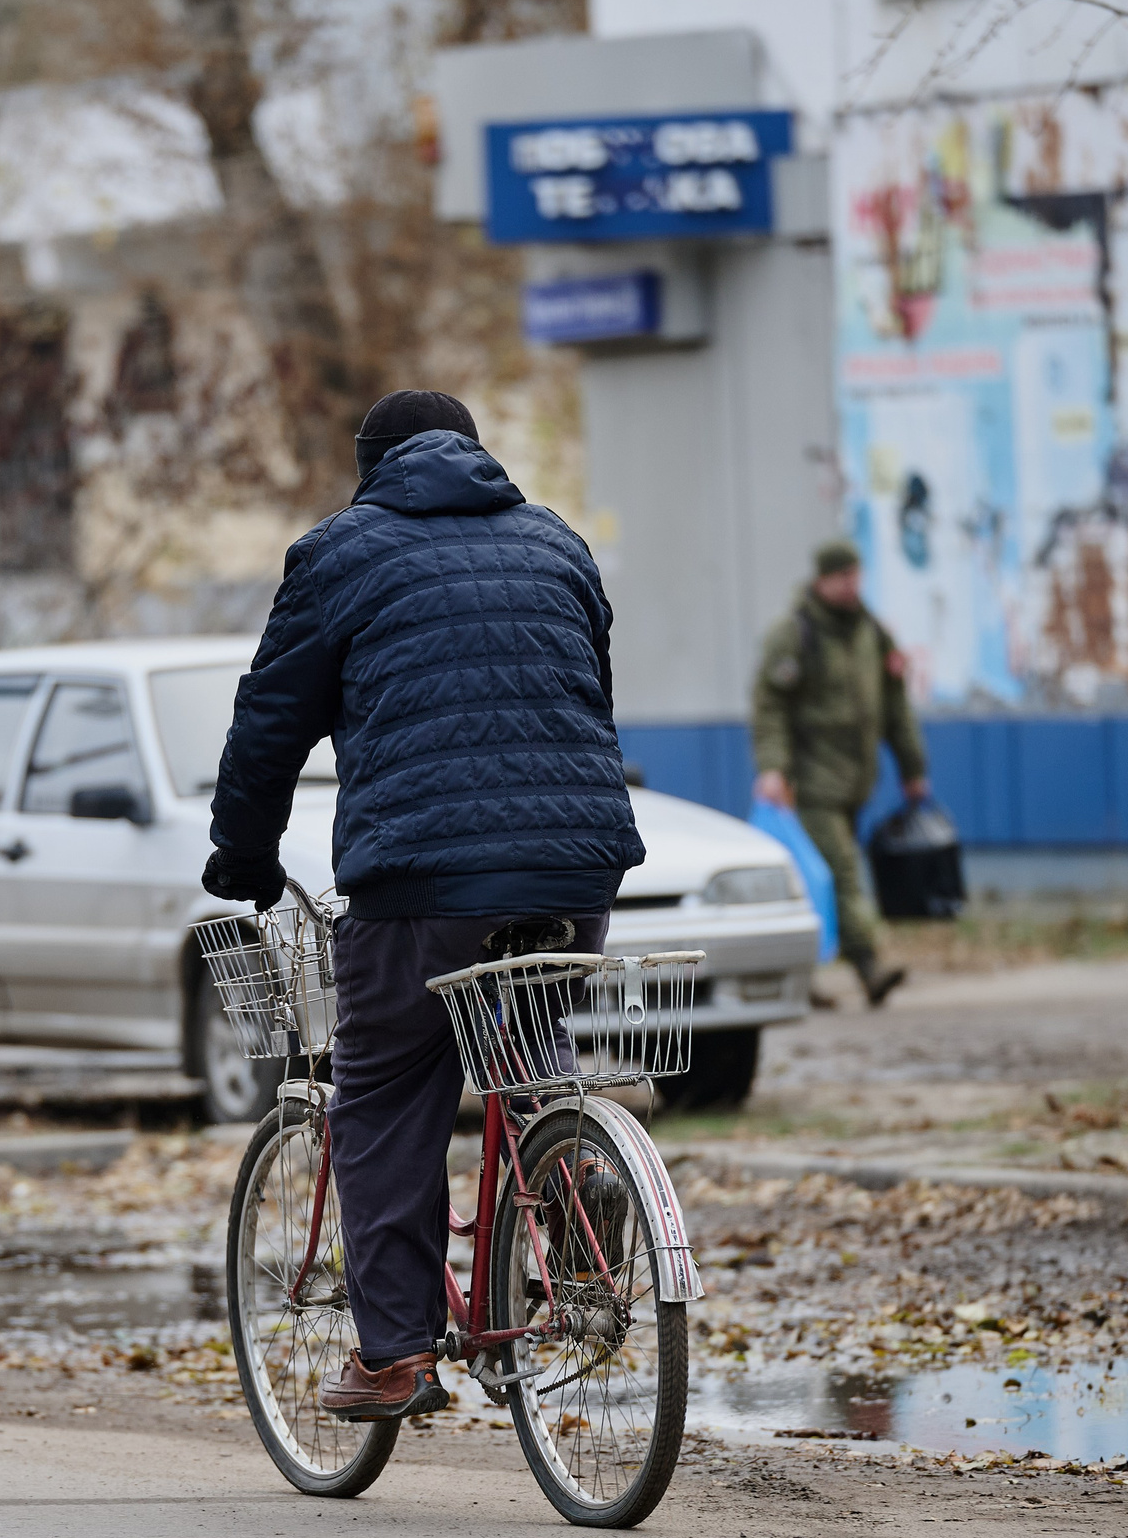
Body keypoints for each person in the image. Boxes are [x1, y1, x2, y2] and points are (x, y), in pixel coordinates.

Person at [202, 389, 645, 1422]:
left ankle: (395, 1355)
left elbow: (269, 721)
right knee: (525, 1030)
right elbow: (584, 692)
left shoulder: (339, 553)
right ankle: (571, 1165)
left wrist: (243, 855)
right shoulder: (556, 542)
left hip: (425, 883)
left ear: (372, 465)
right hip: (576, 872)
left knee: (387, 1091)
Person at [750, 538, 929, 1008]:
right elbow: (770, 705)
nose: (852, 585)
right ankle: (869, 965)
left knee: (817, 883)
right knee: (842, 873)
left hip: (856, 781)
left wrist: (913, 766)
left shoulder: (870, 630)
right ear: (822, 579)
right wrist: (773, 768)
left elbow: (895, 705)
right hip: (810, 782)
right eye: (842, 577)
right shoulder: (796, 632)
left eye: (856, 575)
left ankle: (800, 979)